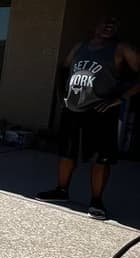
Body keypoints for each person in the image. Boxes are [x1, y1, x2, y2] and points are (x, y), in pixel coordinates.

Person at [37, 15, 140, 219]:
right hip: (73, 109)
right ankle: (61, 190)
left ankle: (96, 202)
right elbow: (64, 68)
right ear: (94, 26)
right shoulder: (80, 47)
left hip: (101, 111)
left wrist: (120, 98)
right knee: (67, 154)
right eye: (105, 21)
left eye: (114, 23)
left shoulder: (121, 49)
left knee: (101, 159)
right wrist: (61, 97)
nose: (109, 25)